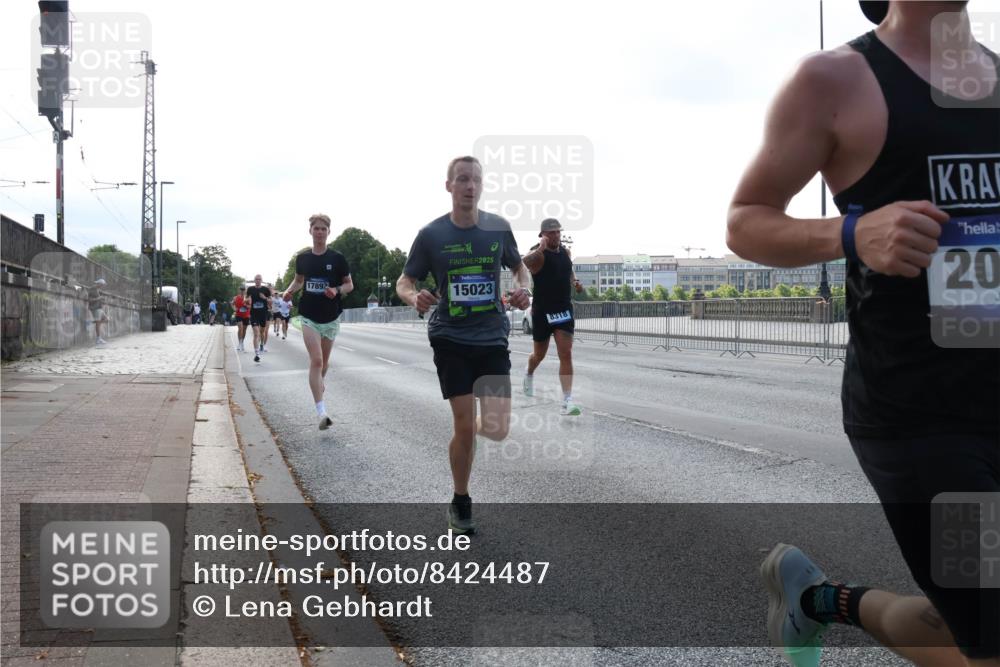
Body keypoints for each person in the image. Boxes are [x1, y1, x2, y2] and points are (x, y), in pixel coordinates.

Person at [727, 2, 999, 665]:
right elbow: (744, 220)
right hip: (921, 415)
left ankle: (820, 599)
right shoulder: (835, 82)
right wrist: (851, 232)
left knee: (968, 618)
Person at [396, 156, 531, 535]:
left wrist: (524, 289)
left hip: (491, 336)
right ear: (449, 186)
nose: (470, 186)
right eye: (462, 179)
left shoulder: (498, 229)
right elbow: (404, 281)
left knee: (497, 427)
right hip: (450, 337)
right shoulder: (432, 235)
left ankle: (468, 431)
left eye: (475, 180)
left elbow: (519, 268)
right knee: (463, 423)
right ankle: (461, 500)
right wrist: (413, 298)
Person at [281, 214, 353, 430]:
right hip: (309, 315)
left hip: (331, 317)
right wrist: (289, 290)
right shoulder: (303, 258)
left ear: (329, 232)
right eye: (316, 228)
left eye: (323, 228)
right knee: (316, 361)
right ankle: (321, 411)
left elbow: (349, 285)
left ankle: (319, 382)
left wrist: (337, 290)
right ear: (310, 231)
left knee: (324, 362)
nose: (319, 232)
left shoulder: (337, 258)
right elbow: (299, 280)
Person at [521, 218, 584, 415]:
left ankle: (567, 401)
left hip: (563, 309)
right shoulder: (537, 254)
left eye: (558, 232)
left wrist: (575, 282)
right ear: (543, 235)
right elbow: (525, 262)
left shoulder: (565, 251)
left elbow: (568, 268)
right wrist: (541, 247)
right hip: (542, 311)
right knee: (539, 355)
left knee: (565, 353)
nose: (556, 236)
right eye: (551, 233)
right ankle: (529, 373)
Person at [246, 276, 271, 362]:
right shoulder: (250, 289)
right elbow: (246, 299)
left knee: (262, 332)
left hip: (263, 314)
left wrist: (265, 298)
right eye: (256, 279)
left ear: (261, 280)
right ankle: (257, 354)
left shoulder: (266, 290)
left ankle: (262, 345)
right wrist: (247, 300)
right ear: (254, 280)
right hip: (254, 314)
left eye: (259, 279)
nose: (258, 280)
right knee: (256, 333)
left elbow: (271, 301)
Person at [87, 278, 109, 345]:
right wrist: (99, 298)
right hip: (95, 308)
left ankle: (96, 322)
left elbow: (96, 299)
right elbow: (89, 300)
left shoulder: (97, 289)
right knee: (99, 322)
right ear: (99, 284)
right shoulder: (92, 289)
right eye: (102, 285)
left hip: (99, 308)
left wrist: (101, 300)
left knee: (106, 319)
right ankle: (98, 339)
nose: (103, 286)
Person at [232, 287, 250, 351]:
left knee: (244, 330)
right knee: (240, 328)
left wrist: (246, 305)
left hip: (246, 315)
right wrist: (234, 308)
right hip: (238, 315)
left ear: (245, 291)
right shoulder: (236, 297)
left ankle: (242, 342)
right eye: (241, 290)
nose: (242, 291)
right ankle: (239, 343)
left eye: (243, 290)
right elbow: (232, 304)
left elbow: (250, 306)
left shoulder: (248, 298)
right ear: (239, 291)